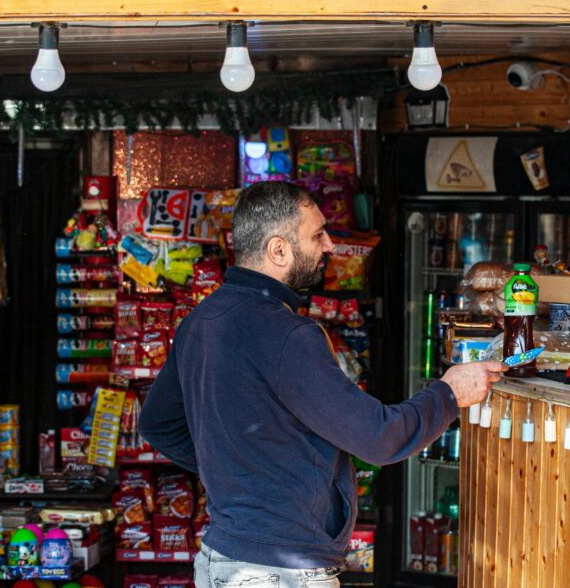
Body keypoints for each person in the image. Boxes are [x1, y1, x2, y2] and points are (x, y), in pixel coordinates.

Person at [139, 181, 505, 588]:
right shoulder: (288, 334)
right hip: (280, 572)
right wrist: (450, 392)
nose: (330, 245)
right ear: (278, 250)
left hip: (220, 558)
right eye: (317, 235)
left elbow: (157, 424)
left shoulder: (199, 321)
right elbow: (379, 438)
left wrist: (240, 474)